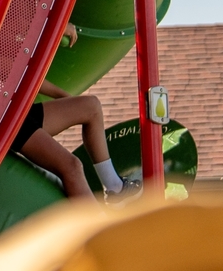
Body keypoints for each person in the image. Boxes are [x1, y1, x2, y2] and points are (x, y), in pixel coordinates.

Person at [7, 23, 131, 200]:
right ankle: (97, 219)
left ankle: (115, 187)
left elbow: (22, 73)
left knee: (91, 106)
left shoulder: (7, 42)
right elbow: (14, 72)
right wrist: (54, 27)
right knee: (72, 166)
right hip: (2, 121)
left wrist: (66, 98)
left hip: (17, 111)